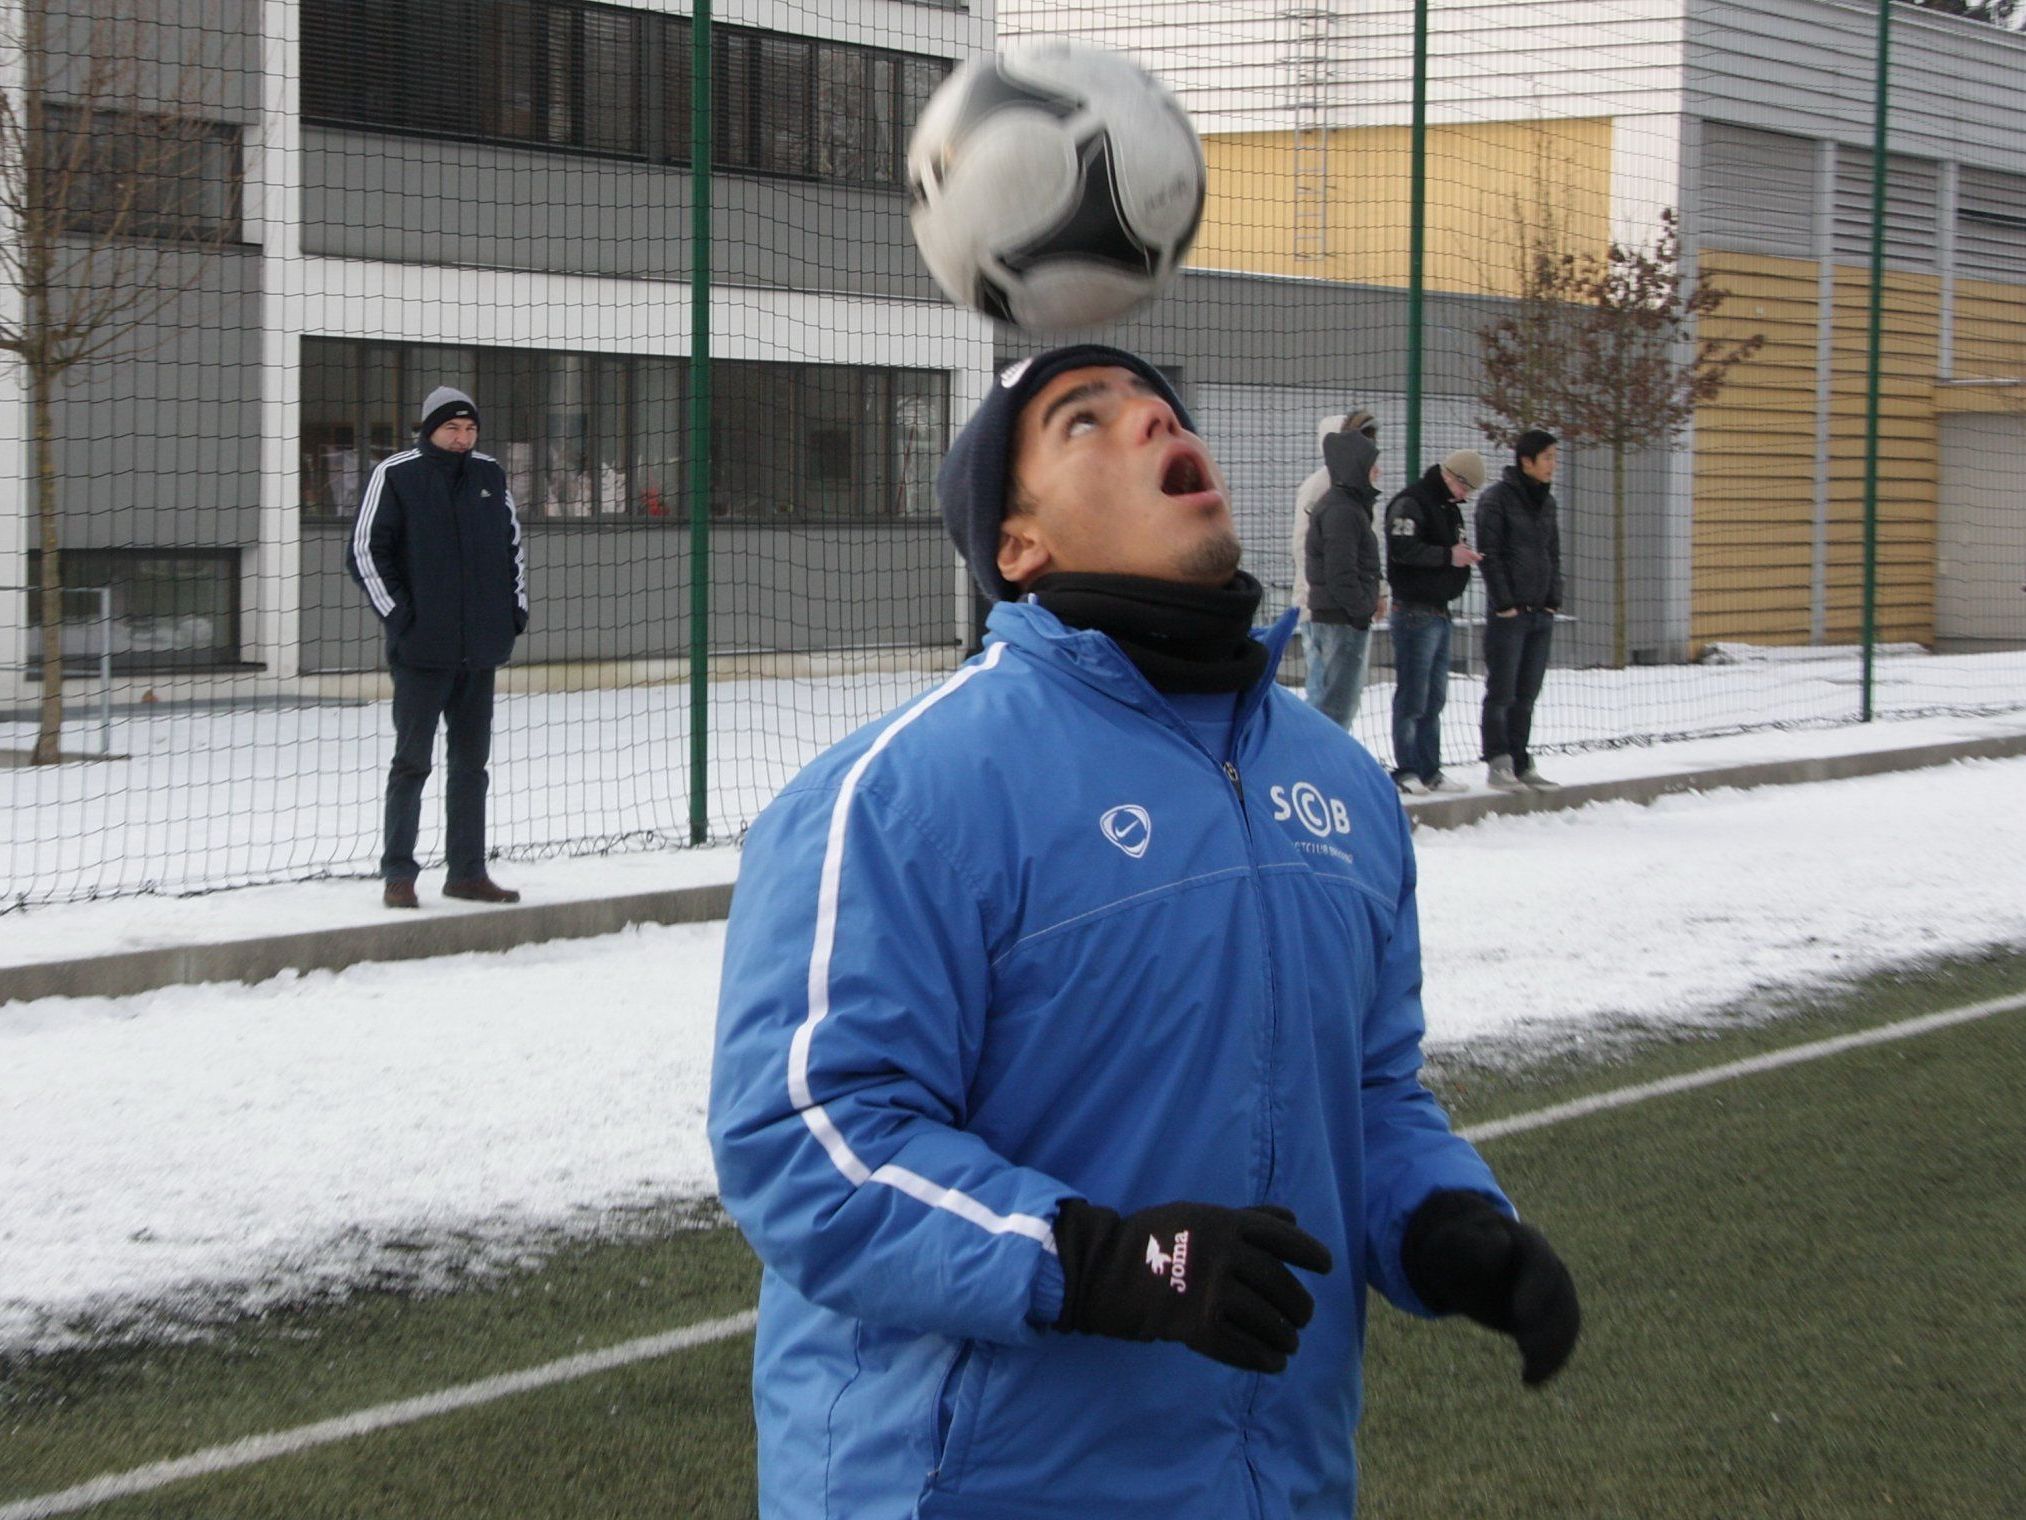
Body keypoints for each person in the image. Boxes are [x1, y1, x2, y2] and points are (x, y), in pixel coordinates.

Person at [708, 345, 1579, 1520]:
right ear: (1016, 548)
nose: (1155, 425)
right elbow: (810, 1136)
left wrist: (1446, 1221)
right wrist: (1100, 1258)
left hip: (1277, 1481)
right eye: (1084, 421)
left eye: (1165, 408)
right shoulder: (904, 792)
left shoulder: (1337, 783)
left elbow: (1366, 1088)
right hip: (963, 1486)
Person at [347, 386, 529, 910]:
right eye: (452, 428)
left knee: (472, 767)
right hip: (421, 652)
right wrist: (403, 618)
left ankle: (467, 872)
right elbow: (364, 551)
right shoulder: (397, 475)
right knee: (412, 763)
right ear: (429, 429)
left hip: (480, 651)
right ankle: (399, 874)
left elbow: (512, 548)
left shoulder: (490, 477)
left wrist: (513, 614)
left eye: (470, 429)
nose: (462, 438)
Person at [1384, 449, 1485, 795]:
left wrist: (1462, 557)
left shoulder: (1448, 509)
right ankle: (1407, 769)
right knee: (1413, 694)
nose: (1465, 496)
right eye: (1464, 488)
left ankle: (1430, 769)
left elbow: (1447, 549)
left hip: (1440, 611)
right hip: (1414, 612)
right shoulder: (1410, 503)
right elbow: (1403, 550)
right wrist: (1448, 556)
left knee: (1435, 697)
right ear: (1451, 477)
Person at [1476, 430, 1565, 792]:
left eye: (1554, 458)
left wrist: (1552, 599)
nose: (1552, 465)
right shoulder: (1496, 500)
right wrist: (1505, 603)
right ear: (1525, 461)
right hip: (1509, 615)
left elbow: (1552, 553)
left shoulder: (1548, 502)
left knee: (1527, 692)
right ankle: (1499, 762)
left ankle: (1521, 758)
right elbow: (1490, 555)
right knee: (1503, 691)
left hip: (1539, 612)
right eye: (1547, 458)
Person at [1302, 416, 1386, 731]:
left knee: (1334, 706)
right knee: (1336, 709)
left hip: (1341, 616)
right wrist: (1361, 608)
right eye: (1372, 464)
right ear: (1357, 467)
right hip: (1341, 620)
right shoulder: (1342, 510)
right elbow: (1341, 573)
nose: (1378, 471)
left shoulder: (1348, 506)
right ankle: (1325, 774)